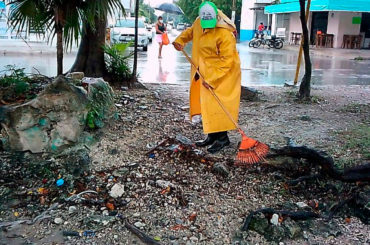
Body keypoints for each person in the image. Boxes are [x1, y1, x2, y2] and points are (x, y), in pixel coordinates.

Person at [173, 1, 241, 154]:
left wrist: (213, 79)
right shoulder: (199, 22)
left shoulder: (224, 33)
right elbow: (191, 32)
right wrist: (180, 40)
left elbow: (227, 61)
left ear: (217, 17)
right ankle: (212, 135)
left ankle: (223, 138)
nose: (207, 26)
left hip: (223, 74)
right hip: (204, 70)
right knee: (207, 104)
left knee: (219, 105)